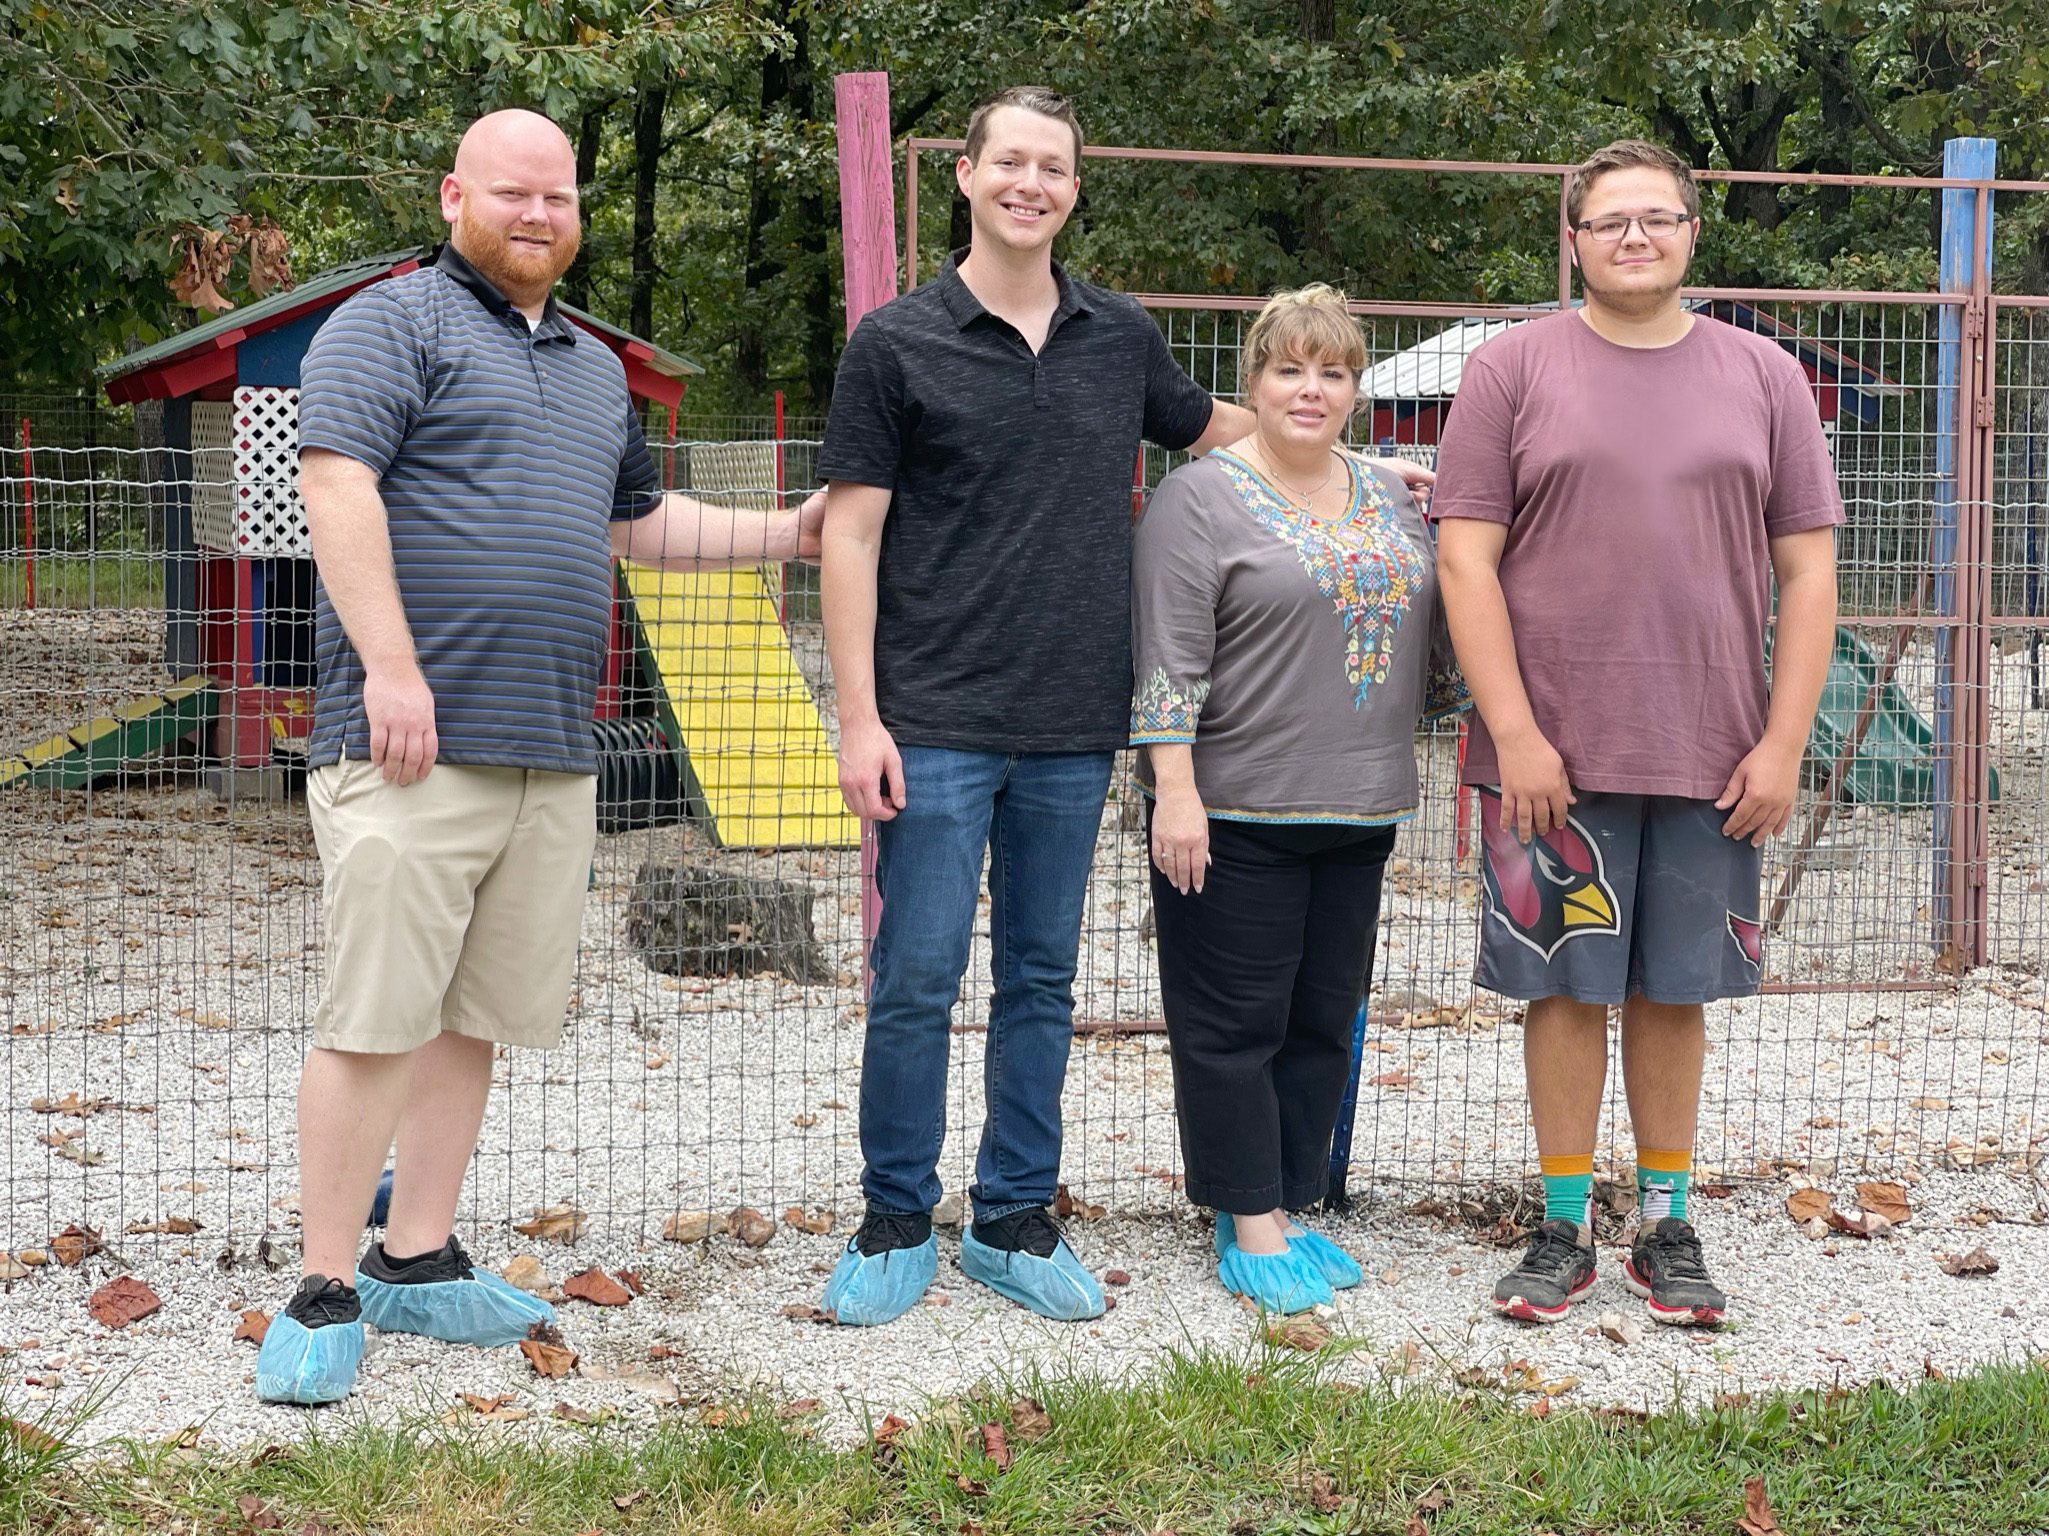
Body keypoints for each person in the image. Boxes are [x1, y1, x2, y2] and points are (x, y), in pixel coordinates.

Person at [816, 86, 1434, 1327]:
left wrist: (1363, 470)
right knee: (917, 975)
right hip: (932, 717)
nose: (1029, 184)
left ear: (1073, 189)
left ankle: (1012, 1216)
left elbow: (1235, 431)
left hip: (1071, 725)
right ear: (969, 178)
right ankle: (895, 1216)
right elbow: (851, 535)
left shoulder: (1118, 337)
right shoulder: (896, 344)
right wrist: (858, 715)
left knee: (1042, 979)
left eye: (1052, 168)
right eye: (1010, 163)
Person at [255, 108, 823, 1405]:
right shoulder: (388, 326)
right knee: (373, 1019)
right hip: (406, 746)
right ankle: (326, 1283)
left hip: (549, 755)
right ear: (455, 192)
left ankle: (419, 1255)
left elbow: (638, 523)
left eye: (557, 199)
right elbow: (337, 487)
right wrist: (391, 668)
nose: (536, 216)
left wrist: (787, 533)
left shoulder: (591, 371)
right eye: (512, 193)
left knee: (474, 1019)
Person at [1432, 139, 1841, 1328]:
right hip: (1546, 757)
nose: (1634, 239)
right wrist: (1513, 734)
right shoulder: (1510, 369)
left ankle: (1666, 1223)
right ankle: (1564, 1227)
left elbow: (1809, 575)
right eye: (1609, 222)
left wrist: (1784, 741)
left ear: (1692, 234)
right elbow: (1466, 558)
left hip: (1716, 754)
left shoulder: (1764, 377)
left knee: (1676, 992)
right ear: (1573, 240)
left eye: (1656, 219)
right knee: (1561, 989)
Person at [1133, 285, 1465, 1313]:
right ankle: (1249, 1221)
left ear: (1357, 388)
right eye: (1290, 369)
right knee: (1233, 1022)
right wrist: (1173, 791)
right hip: (1236, 807)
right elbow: (1169, 657)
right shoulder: (1201, 499)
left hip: (1361, 807)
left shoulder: (1392, 495)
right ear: (1255, 382)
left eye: (1333, 371)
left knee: (1324, 1018)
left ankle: (1290, 1196)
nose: (1310, 389)